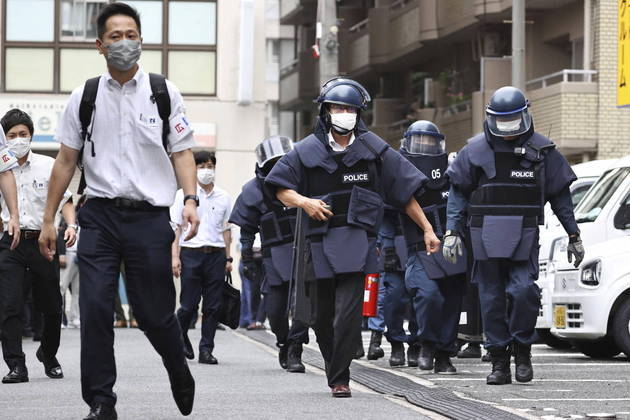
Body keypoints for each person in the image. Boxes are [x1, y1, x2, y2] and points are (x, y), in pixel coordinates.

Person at [38, 4, 200, 419]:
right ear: (100, 45)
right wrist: (48, 219)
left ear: (141, 40)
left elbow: (182, 153)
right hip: (100, 215)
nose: (124, 43)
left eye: (131, 34)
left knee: (153, 314)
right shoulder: (85, 96)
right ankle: (101, 401)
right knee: (94, 307)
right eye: (115, 36)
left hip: (148, 218)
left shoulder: (164, 91)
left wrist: (190, 199)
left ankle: (178, 367)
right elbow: (65, 161)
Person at [265, 77, 440, 397]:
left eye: (350, 108)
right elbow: (280, 189)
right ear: (325, 112)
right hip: (317, 244)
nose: (343, 113)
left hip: (357, 242)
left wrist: (428, 228)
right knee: (320, 318)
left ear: (359, 114)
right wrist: (304, 201)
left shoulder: (374, 150)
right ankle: (335, 366)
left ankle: (340, 378)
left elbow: (404, 194)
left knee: (347, 313)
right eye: (337, 107)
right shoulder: (306, 150)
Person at [443, 86, 584, 385]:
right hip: (483, 237)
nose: (507, 130)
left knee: (523, 292)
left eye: (513, 122)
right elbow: (457, 194)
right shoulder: (474, 151)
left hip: (524, 235)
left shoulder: (543, 151)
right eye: (501, 123)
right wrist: (452, 232)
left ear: (525, 116)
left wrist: (574, 235)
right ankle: (498, 362)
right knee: (491, 300)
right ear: (491, 119)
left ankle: (522, 351)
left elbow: (561, 197)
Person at [0, 109, 76, 384]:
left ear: (31, 136)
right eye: (11, 135)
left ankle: (48, 353)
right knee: (9, 306)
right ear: (4, 138)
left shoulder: (48, 165)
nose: (18, 139)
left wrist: (71, 225)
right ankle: (16, 365)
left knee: (52, 306)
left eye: (23, 134)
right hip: (10, 244)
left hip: (44, 241)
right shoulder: (1, 166)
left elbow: (65, 200)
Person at [229, 135, 309, 373]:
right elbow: (247, 228)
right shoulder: (253, 191)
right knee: (275, 309)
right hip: (274, 255)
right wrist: (246, 256)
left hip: (305, 251)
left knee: (304, 306)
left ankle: (296, 347)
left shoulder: (305, 182)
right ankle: (283, 341)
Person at [398, 120, 467, 374]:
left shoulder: (453, 170)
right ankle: (426, 344)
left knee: (451, 301)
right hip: (420, 248)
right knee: (429, 296)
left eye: (431, 142)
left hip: (452, 246)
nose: (425, 147)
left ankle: (444, 354)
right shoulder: (400, 173)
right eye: (420, 142)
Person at [171, 151, 232, 365]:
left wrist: (228, 258)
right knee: (188, 305)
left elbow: (226, 230)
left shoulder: (224, 196)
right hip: (191, 254)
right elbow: (176, 229)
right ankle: (180, 337)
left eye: (210, 166)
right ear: (194, 169)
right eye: (202, 166)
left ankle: (206, 349)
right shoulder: (182, 196)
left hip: (215, 255)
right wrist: (175, 257)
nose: (207, 170)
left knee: (213, 306)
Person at [379, 207, 420, 367]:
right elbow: (384, 217)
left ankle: (416, 344)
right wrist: (388, 248)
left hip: (420, 240)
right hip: (395, 242)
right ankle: (396, 343)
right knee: (394, 298)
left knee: (420, 297)